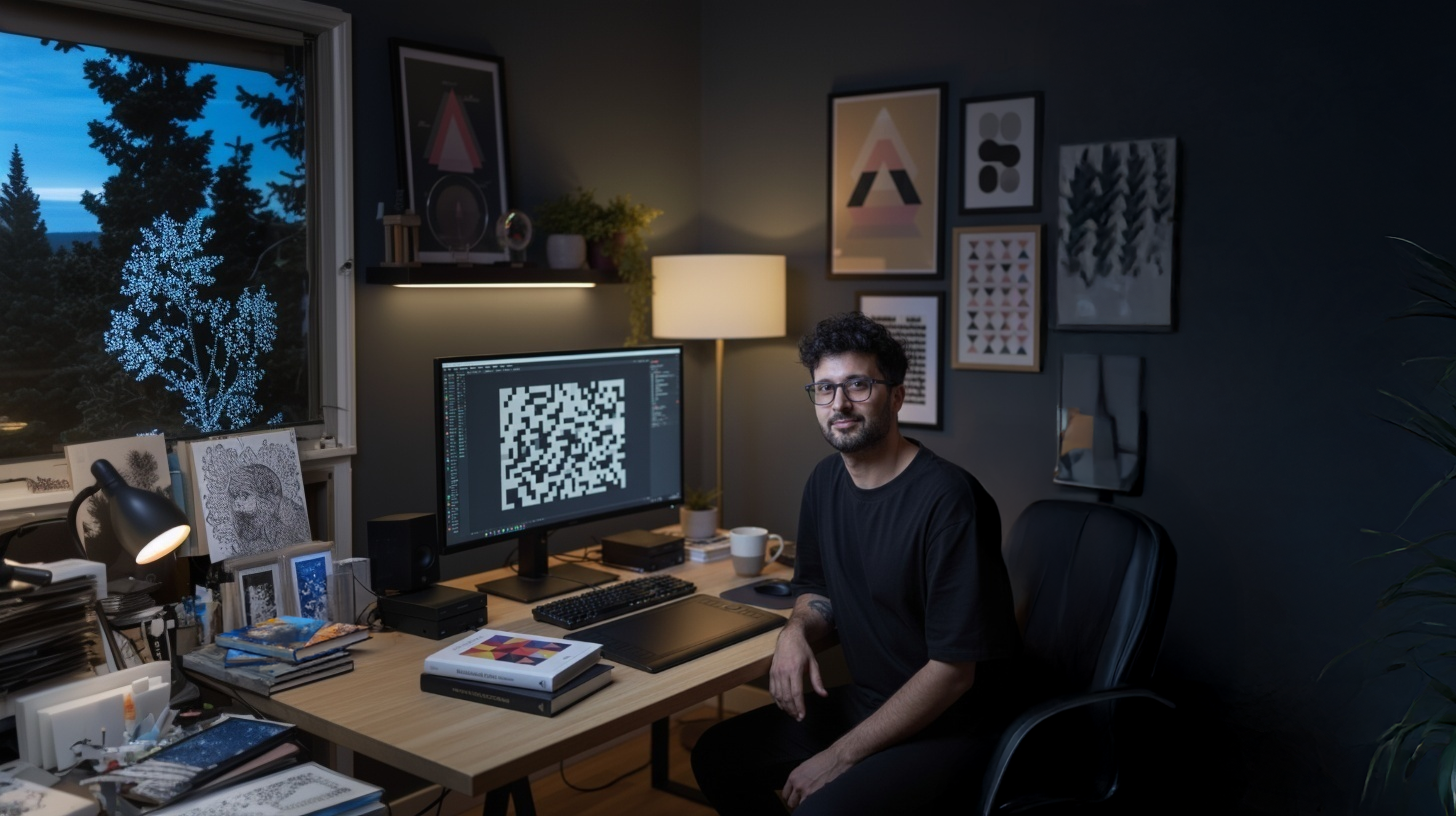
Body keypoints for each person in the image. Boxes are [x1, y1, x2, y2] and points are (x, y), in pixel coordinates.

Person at [691, 312, 1023, 814]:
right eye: (824, 389)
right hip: (868, 702)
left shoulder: (950, 500)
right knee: (718, 757)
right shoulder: (824, 482)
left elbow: (954, 672)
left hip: (952, 726)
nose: (839, 404)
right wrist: (794, 633)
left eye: (857, 385)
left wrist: (839, 757)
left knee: (819, 805)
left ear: (896, 395)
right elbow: (817, 592)